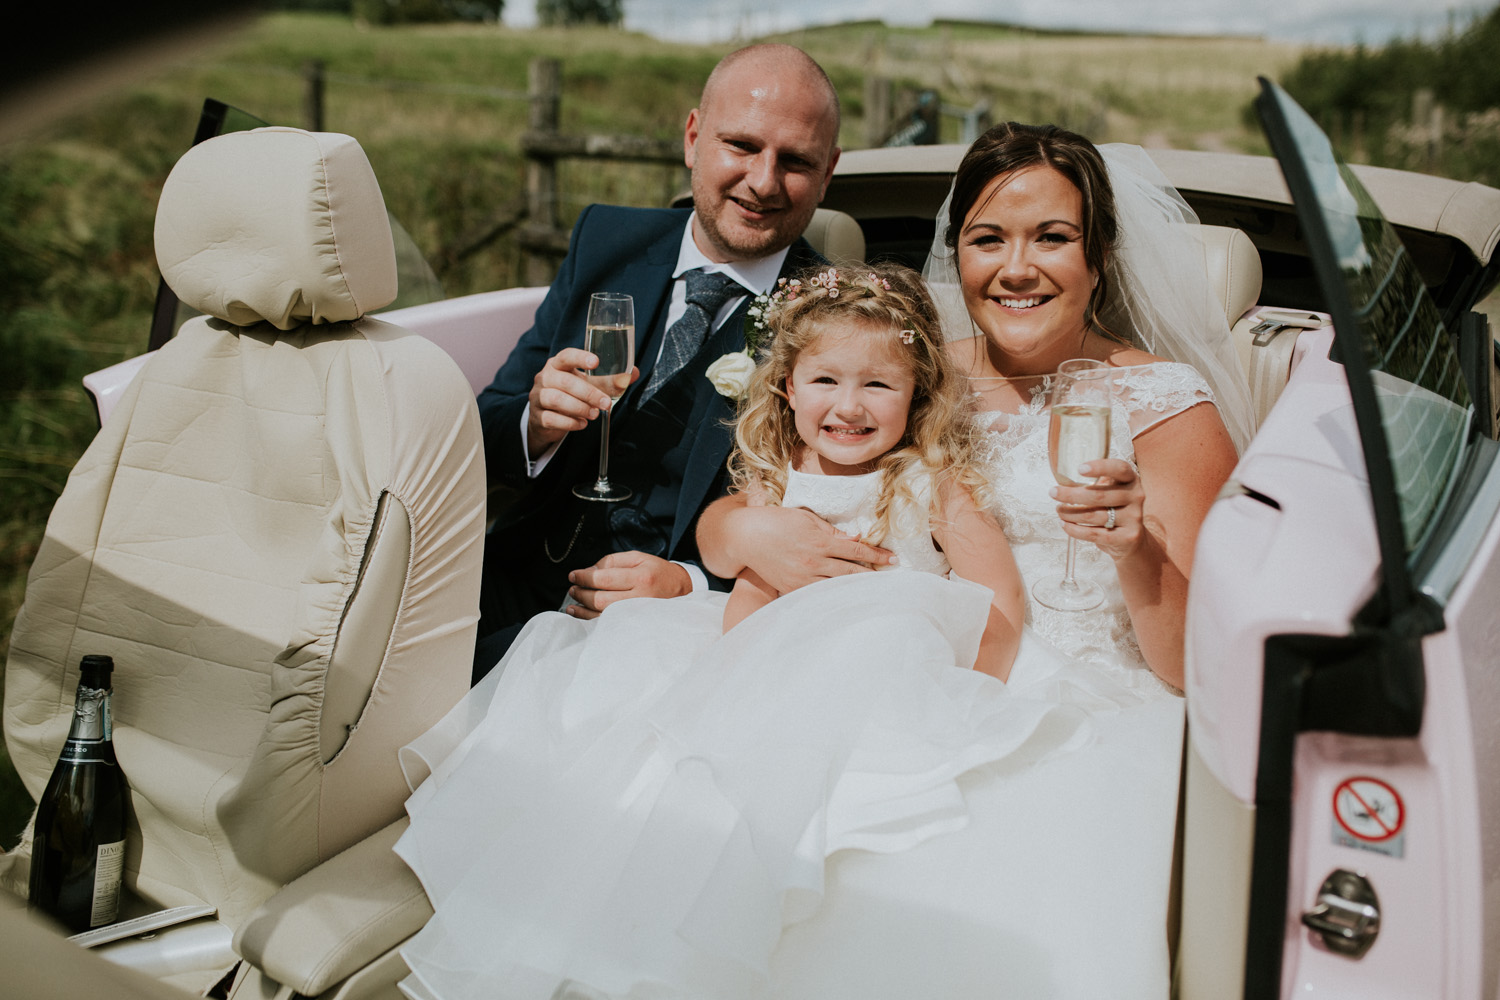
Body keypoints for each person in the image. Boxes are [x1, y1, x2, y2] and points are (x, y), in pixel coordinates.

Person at [390, 262, 1082, 1000]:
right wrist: (732, 678)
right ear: (787, 384)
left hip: (880, 680)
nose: (849, 407)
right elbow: (742, 581)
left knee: (810, 813)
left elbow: (997, 600)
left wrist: (966, 702)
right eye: (826, 381)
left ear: (917, 394)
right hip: (755, 665)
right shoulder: (778, 473)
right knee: (652, 751)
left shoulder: (929, 480)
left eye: (878, 385)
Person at [692, 122, 1255, 997]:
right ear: (958, 257)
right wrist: (737, 534)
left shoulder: (1165, 407)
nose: (1017, 268)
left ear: (1099, 255)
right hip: (889, 662)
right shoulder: (905, 376)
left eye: (1053, 238)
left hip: (1084, 700)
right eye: (988, 239)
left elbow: (1194, 668)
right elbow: (785, 485)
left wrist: (1133, 546)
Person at [471, 43, 844, 678]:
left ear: (829, 172)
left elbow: (832, 538)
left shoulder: (838, 320)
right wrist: (536, 424)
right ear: (694, 137)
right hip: (515, 572)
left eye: (796, 161)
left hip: (667, 631)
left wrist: (687, 585)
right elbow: (485, 428)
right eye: (742, 146)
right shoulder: (605, 240)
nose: (762, 181)